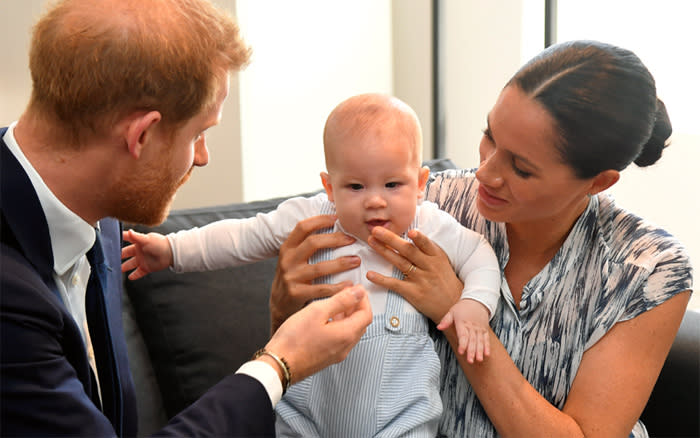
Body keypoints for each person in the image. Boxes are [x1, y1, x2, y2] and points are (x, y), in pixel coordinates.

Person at [268, 40, 694, 437]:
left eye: (521, 168)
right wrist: (284, 304)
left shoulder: (649, 269)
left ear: (598, 182)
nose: (486, 173)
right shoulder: (422, 204)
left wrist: (457, 312)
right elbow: (319, 361)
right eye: (489, 136)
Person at [0, 0, 373, 436]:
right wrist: (278, 366)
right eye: (199, 133)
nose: (202, 157)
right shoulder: (9, 300)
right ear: (142, 134)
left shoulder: (100, 214)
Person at [121, 92, 502, 437]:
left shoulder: (430, 225)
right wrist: (171, 250)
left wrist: (473, 306)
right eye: (355, 187)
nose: (375, 201)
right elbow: (242, 237)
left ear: (420, 184)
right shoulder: (311, 218)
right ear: (329, 186)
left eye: (392, 185)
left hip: (399, 421)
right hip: (308, 417)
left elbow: (480, 255)